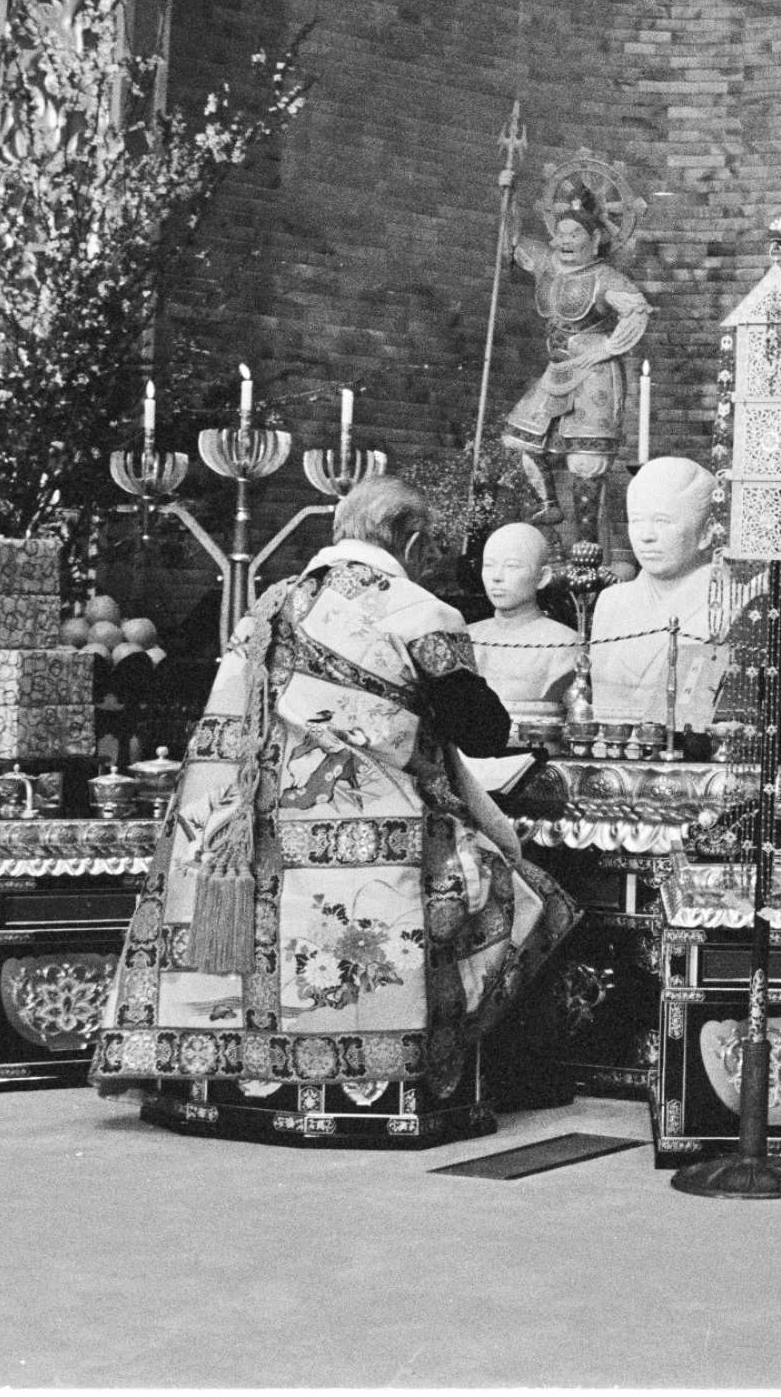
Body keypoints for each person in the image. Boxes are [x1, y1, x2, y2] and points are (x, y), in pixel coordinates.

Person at [89, 478, 577, 1138]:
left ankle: (223, 1079)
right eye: (425, 547)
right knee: (528, 895)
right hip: (375, 853)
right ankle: (469, 1074)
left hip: (232, 850)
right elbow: (485, 732)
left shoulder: (263, 609)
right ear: (405, 538)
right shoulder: (417, 611)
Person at [500, 200, 649, 552]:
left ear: (594, 238)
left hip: (594, 372)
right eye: (560, 233)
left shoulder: (605, 277)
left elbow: (637, 309)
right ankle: (547, 505)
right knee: (518, 439)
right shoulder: (547, 265)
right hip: (558, 367)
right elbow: (514, 242)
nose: (565, 241)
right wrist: (509, 195)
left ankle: (587, 549)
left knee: (586, 458)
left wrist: (608, 347)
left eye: (575, 234)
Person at [585, 457, 732, 732]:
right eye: (637, 521)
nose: (646, 536)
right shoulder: (612, 602)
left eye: (663, 521)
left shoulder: (727, 605)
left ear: (706, 532)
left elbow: (691, 712)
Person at [467, 521, 582, 712]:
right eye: (488, 565)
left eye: (511, 566)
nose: (497, 576)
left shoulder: (565, 644)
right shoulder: (467, 636)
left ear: (542, 577)